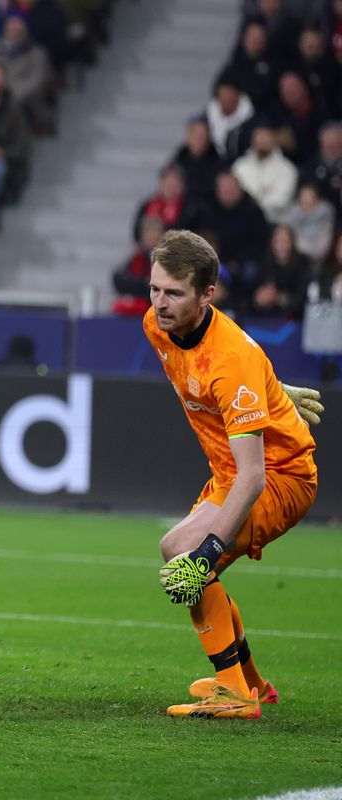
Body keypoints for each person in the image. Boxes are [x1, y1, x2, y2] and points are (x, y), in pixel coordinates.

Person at [145, 230, 320, 719]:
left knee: (185, 554)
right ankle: (251, 683)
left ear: (207, 295)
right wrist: (271, 386)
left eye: (174, 293)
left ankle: (234, 695)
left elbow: (254, 478)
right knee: (181, 554)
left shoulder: (232, 361)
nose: (160, 303)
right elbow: (215, 370)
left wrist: (209, 551)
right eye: (155, 289)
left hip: (279, 476)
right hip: (231, 471)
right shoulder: (156, 326)